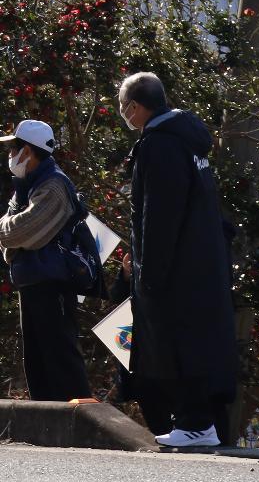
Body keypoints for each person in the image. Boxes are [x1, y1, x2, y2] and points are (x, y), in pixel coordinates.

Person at [119, 73, 238, 451]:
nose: (123, 114)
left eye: (124, 107)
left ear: (136, 107)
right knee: (199, 341)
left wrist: (149, 272)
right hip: (200, 261)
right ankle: (197, 423)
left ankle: (194, 422)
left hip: (175, 268)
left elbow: (159, 215)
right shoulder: (189, 140)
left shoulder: (159, 146)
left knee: (178, 343)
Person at [0, 120, 92, 401]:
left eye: (14, 148)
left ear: (28, 151)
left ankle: (77, 421)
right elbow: (12, 234)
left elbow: (23, 232)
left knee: (60, 356)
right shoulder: (26, 185)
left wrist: (9, 235)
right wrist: (10, 236)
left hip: (52, 283)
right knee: (37, 360)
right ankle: (47, 428)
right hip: (32, 279)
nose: (10, 154)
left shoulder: (54, 185)